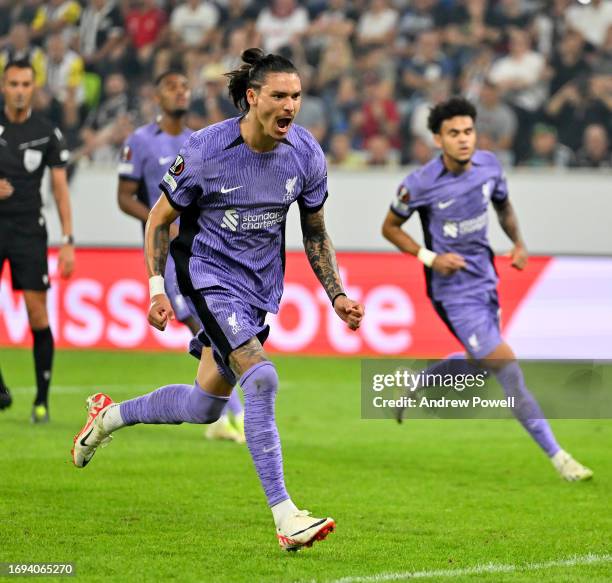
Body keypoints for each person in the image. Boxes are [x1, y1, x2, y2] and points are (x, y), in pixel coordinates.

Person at [72, 48, 365, 550]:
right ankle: (286, 516)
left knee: (205, 405)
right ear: (253, 98)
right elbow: (159, 219)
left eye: (296, 96)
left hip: (257, 290)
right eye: (279, 95)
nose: (290, 106)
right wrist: (157, 288)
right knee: (263, 376)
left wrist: (336, 293)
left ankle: (108, 417)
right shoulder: (207, 149)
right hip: (207, 277)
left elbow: (315, 231)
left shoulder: (306, 154)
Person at [381, 96, 592, 482]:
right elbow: (390, 227)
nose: (463, 140)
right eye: (453, 134)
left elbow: (504, 206)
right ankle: (560, 457)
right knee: (506, 367)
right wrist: (430, 258)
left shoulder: (490, 166)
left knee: (480, 364)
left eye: (468, 131)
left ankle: (416, 382)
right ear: (437, 139)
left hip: (486, 279)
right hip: (452, 292)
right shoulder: (419, 183)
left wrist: (519, 243)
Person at [117, 69, 245, 443]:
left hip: (202, 251)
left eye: (184, 86)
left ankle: (224, 414)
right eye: (172, 87)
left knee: (211, 329)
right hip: (169, 255)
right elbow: (125, 197)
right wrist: (162, 221)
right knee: (205, 328)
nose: (180, 92)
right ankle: (232, 415)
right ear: (157, 97)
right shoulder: (140, 142)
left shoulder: (200, 141)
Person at [0, 60, 75, 421]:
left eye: (25, 84)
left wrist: (68, 240)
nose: (18, 90)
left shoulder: (46, 132)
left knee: (36, 313)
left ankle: (41, 401)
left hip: (29, 229)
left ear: (34, 88)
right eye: (13, 83)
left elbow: (60, 192)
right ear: (3, 86)